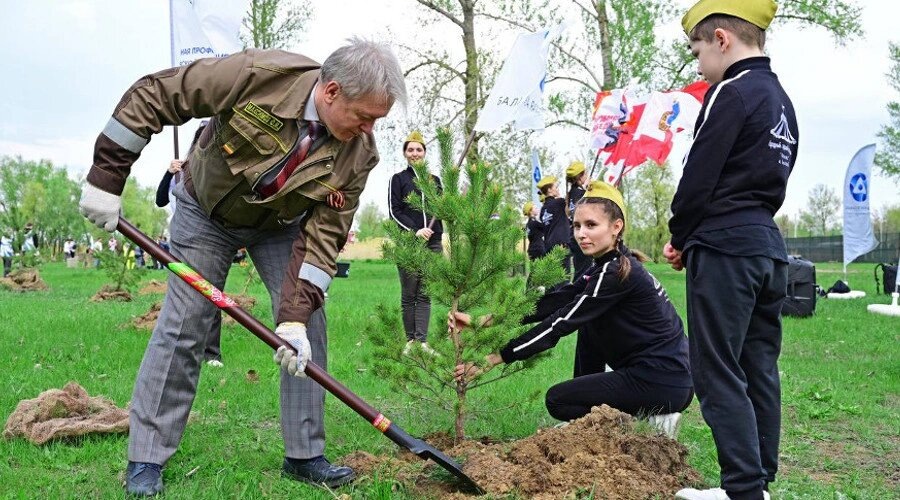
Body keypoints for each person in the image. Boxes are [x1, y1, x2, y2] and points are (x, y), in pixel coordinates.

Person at [78, 39, 406, 496]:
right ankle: (147, 458)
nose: (370, 128)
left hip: (278, 225)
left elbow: (324, 237)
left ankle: (305, 453)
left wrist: (292, 319)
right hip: (204, 211)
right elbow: (155, 94)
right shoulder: (259, 74)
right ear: (331, 92)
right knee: (186, 323)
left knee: (307, 325)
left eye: (377, 119)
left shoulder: (359, 154)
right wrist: (106, 177)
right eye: (365, 115)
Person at [663, 2, 797, 499]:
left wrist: (680, 234)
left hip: (726, 249)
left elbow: (700, 176)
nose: (698, 65)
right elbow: (771, 182)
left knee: (716, 367)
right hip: (767, 248)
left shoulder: (730, 91)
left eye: (697, 50)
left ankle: (743, 490)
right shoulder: (782, 101)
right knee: (757, 364)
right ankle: (757, 482)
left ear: (722, 39)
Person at [453, 181, 692, 436]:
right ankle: (590, 422)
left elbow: (560, 322)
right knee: (589, 322)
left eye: (591, 225)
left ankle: (649, 423)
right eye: (577, 226)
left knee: (559, 400)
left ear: (616, 227)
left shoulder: (616, 273)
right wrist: (486, 321)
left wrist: (495, 358)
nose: (581, 234)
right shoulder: (606, 267)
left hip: (661, 381)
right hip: (668, 378)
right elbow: (557, 300)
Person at [388, 130, 442, 355]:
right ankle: (410, 341)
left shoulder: (435, 181)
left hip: (433, 243)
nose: (415, 153)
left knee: (425, 292)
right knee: (410, 293)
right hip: (408, 243)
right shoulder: (398, 179)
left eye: (419, 149)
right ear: (405, 153)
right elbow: (394, 210)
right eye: (410, 149)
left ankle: (422, 341)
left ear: (425, 153)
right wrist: (414, 230)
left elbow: (441, 207)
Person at [537, 175, 571, 279]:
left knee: (552, 278)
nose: (557, 189)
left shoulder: (543, 209)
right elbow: (569, 210)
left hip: (549, 246)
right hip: (561, 245)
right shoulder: (559, 202)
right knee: (563, 276)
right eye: (555, 187)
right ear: (550, 190)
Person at [564, 161, 592, 277]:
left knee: (579, 271)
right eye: (586, 174)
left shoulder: (571, 194)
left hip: (574, 236)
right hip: (583, 236)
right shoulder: (582, 194)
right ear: (581, 177)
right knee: (584, 273)